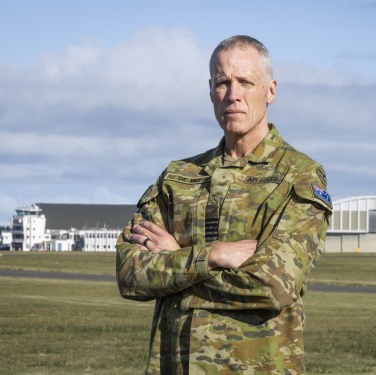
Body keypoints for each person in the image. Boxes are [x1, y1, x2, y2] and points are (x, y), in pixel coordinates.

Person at [116, 35, 332, 374]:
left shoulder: (298, 176)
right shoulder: (177, 178)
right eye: (222, 83)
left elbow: (273, 285)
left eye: (246, 82)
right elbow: (130, 274)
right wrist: (214, 255)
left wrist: (176, 260)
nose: (233, 95)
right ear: (210, 92)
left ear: (271, 91)